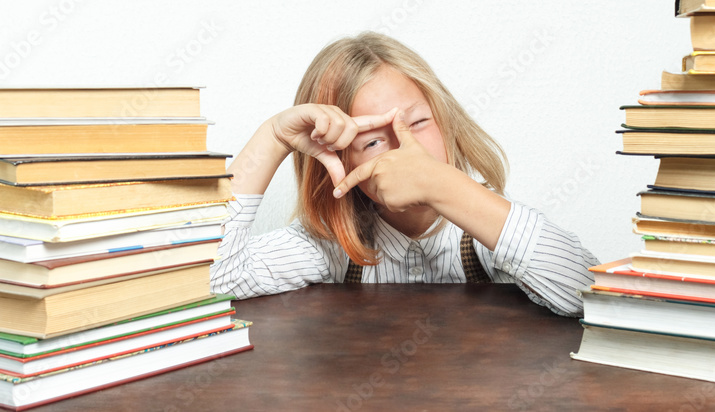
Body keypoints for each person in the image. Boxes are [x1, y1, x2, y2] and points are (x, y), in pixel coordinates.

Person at [210, 31, 598, 316]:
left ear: (446, 120)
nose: (404, 154)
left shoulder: (485, 227)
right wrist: (273, 137)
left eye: (417, 123)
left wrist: (442, 185)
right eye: (373, 142)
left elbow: (589, 292)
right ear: (342, 165)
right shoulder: (329, 247)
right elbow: (211, 283)